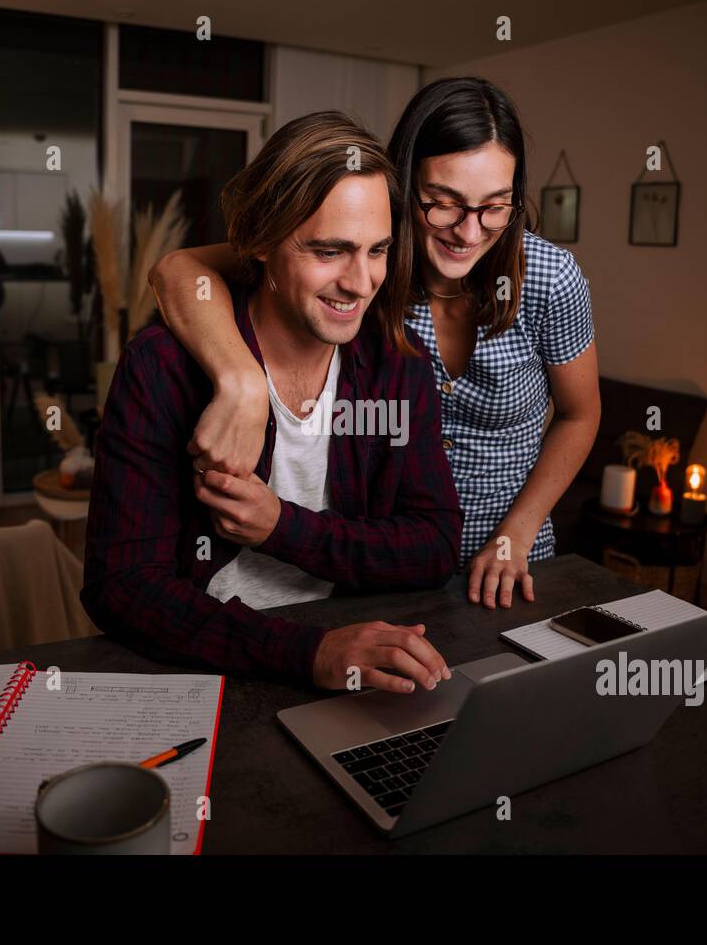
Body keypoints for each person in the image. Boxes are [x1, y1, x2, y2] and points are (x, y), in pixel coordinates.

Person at [151, 77, 601, 613]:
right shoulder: (364, 264)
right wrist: (242, 382)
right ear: (403, 186)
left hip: (511, 562)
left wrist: (516, 535)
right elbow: (180, 267)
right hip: (380, 570)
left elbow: (580, 414)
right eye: (443, 203)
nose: (469, 232)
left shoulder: (549, 277)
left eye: (495, 207)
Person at [83, 112, 459, 695]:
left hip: (356, 650)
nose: (361, 283)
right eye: (330, 251)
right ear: (258, 242)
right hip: (211, 661)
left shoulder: (396, 367)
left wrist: (282, 528)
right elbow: (123, 586)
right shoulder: (161, 367)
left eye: (378, 250)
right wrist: (309, 652)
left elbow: (434, 547)